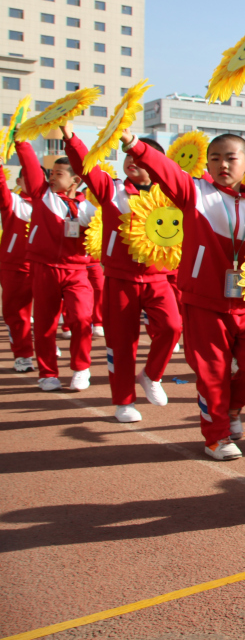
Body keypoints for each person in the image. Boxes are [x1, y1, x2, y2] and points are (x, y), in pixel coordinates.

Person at [125, 129, 245, 461]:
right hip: (204, 301)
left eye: (231, 158)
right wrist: (137, 146)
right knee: (212, 371)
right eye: (215, 158)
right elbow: (167, 171)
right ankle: (216, 437)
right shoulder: (195, 192)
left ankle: (233, 407)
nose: (222, 164)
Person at [65, 131, 183, 423]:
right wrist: (70, 139)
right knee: (121, 343)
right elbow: (85, 168)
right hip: (120, 279)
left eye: (140, 157)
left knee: (172, 327)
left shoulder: (171, 194)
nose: (132, 161)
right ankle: (123, 402)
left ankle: (151, 375)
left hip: (158, 278)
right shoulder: (113, 190)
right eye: (129, 156)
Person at [16, 142, 96, 392]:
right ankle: (47, 373)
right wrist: (22, 142)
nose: (51, 178)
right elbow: (30, 167)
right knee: (44, 324)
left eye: (58, 174)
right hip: (44, 268)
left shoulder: (87, 208)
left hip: (76, 271)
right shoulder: (43, 195)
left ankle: (81, 368)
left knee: (82, 319)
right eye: (50, 174)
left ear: (75, 180)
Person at [0, 171, 36, 372]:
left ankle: (47, 346)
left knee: (50, 313)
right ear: (19, 181)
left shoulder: (52, 202)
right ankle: (23, 355)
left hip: (45, 266)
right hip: (15, 266)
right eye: (28, 178)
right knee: (17, 314)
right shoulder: (13, 201)